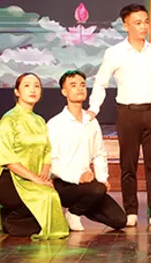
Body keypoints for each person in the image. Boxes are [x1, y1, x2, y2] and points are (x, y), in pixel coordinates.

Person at [88, 4, 151, 228]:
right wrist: (94, 108)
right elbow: (100, 83)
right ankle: (130, 211)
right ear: (125, 25)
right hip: (128, 113)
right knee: (128, 165)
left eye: (146, 22)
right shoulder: (115, 53)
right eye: (137, 23)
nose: (143, 26)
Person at [0, 73, 69, 240]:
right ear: (17, 92)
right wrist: (36, 179)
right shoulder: (8, 120)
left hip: (34, 178)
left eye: (37, 86)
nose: (33, 90)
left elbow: (47, 151)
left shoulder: (40, 120)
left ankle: (16, 217)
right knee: (47, 199)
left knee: (50, 204)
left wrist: (44, 175)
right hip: (11, 180)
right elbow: (9, 160)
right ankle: (9, 220)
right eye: (27, 85)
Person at [47, 70, 127, 232]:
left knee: (119, 220)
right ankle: (74, 213)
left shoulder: (91, 121)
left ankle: (80, 207)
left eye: (82, 85)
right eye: (73, 85)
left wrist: (102, 179)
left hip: (88, 185)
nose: (79, 88)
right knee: (96, 190)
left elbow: (99, 153)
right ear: (64, 92)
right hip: (64, 183)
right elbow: (51, 161)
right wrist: (77, 177)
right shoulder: (55, 124)